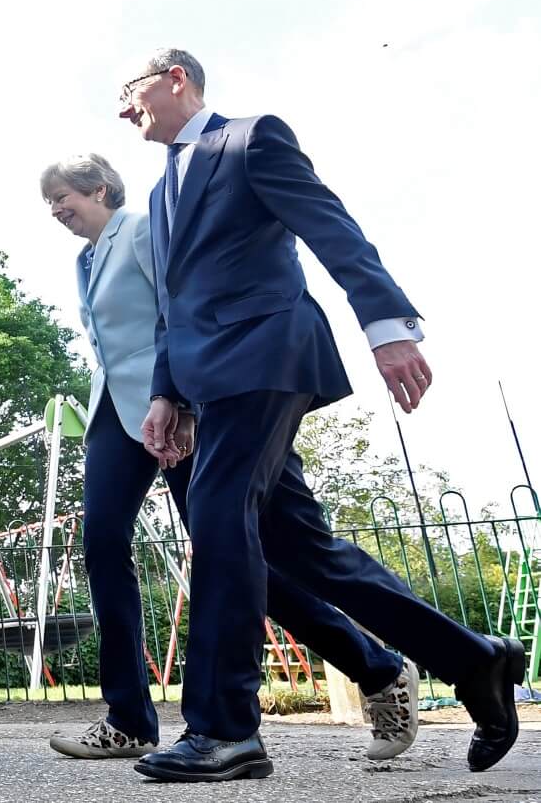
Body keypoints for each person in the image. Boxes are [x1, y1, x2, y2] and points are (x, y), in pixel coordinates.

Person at [119, 48, 527, 783]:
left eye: (129, 91)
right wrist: (166, 393)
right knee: (299, 549)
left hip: (267, 350)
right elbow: (169, 308)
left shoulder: (248, 138)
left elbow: (328, 225)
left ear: (174, 77)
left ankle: (224, 730)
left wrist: (386, 323)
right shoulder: (158, 196)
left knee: (216, 517)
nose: (124, 111)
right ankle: (474, 660)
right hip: (207, 376)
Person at [39, 154, 415, 764]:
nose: (55, 210)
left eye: (62, 197)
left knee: (229, 556)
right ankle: (128, 718)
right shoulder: (83, 259)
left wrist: (179, 399)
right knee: (102, 540)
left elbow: (176, 308)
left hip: (178, 402)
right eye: (49, 203)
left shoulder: (139, 229)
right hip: (114, 406)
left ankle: (377, 669)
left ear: (99, 188)